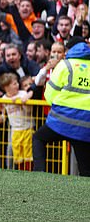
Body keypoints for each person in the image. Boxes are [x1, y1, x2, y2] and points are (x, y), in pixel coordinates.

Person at [33, 37, 90, 176]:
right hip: (86, 124)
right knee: (85, 168)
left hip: (62, 120)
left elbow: (50, 94)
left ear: (69, 50)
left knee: (39, 138)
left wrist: (59, 107)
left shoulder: (65, 65)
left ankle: (39, 175)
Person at [0, 73, 34, 170]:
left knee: (28, 153)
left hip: (27, 128)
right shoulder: (4, 99)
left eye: (17, 83)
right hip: (15, 130)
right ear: (6, 87)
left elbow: (30, 110)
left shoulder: (23, 94)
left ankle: (29, 173)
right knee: (17, 153)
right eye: (14, 84)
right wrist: (1, 118)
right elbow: (4, 115)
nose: (17, 85)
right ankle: (18, 172)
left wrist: (20, 102)